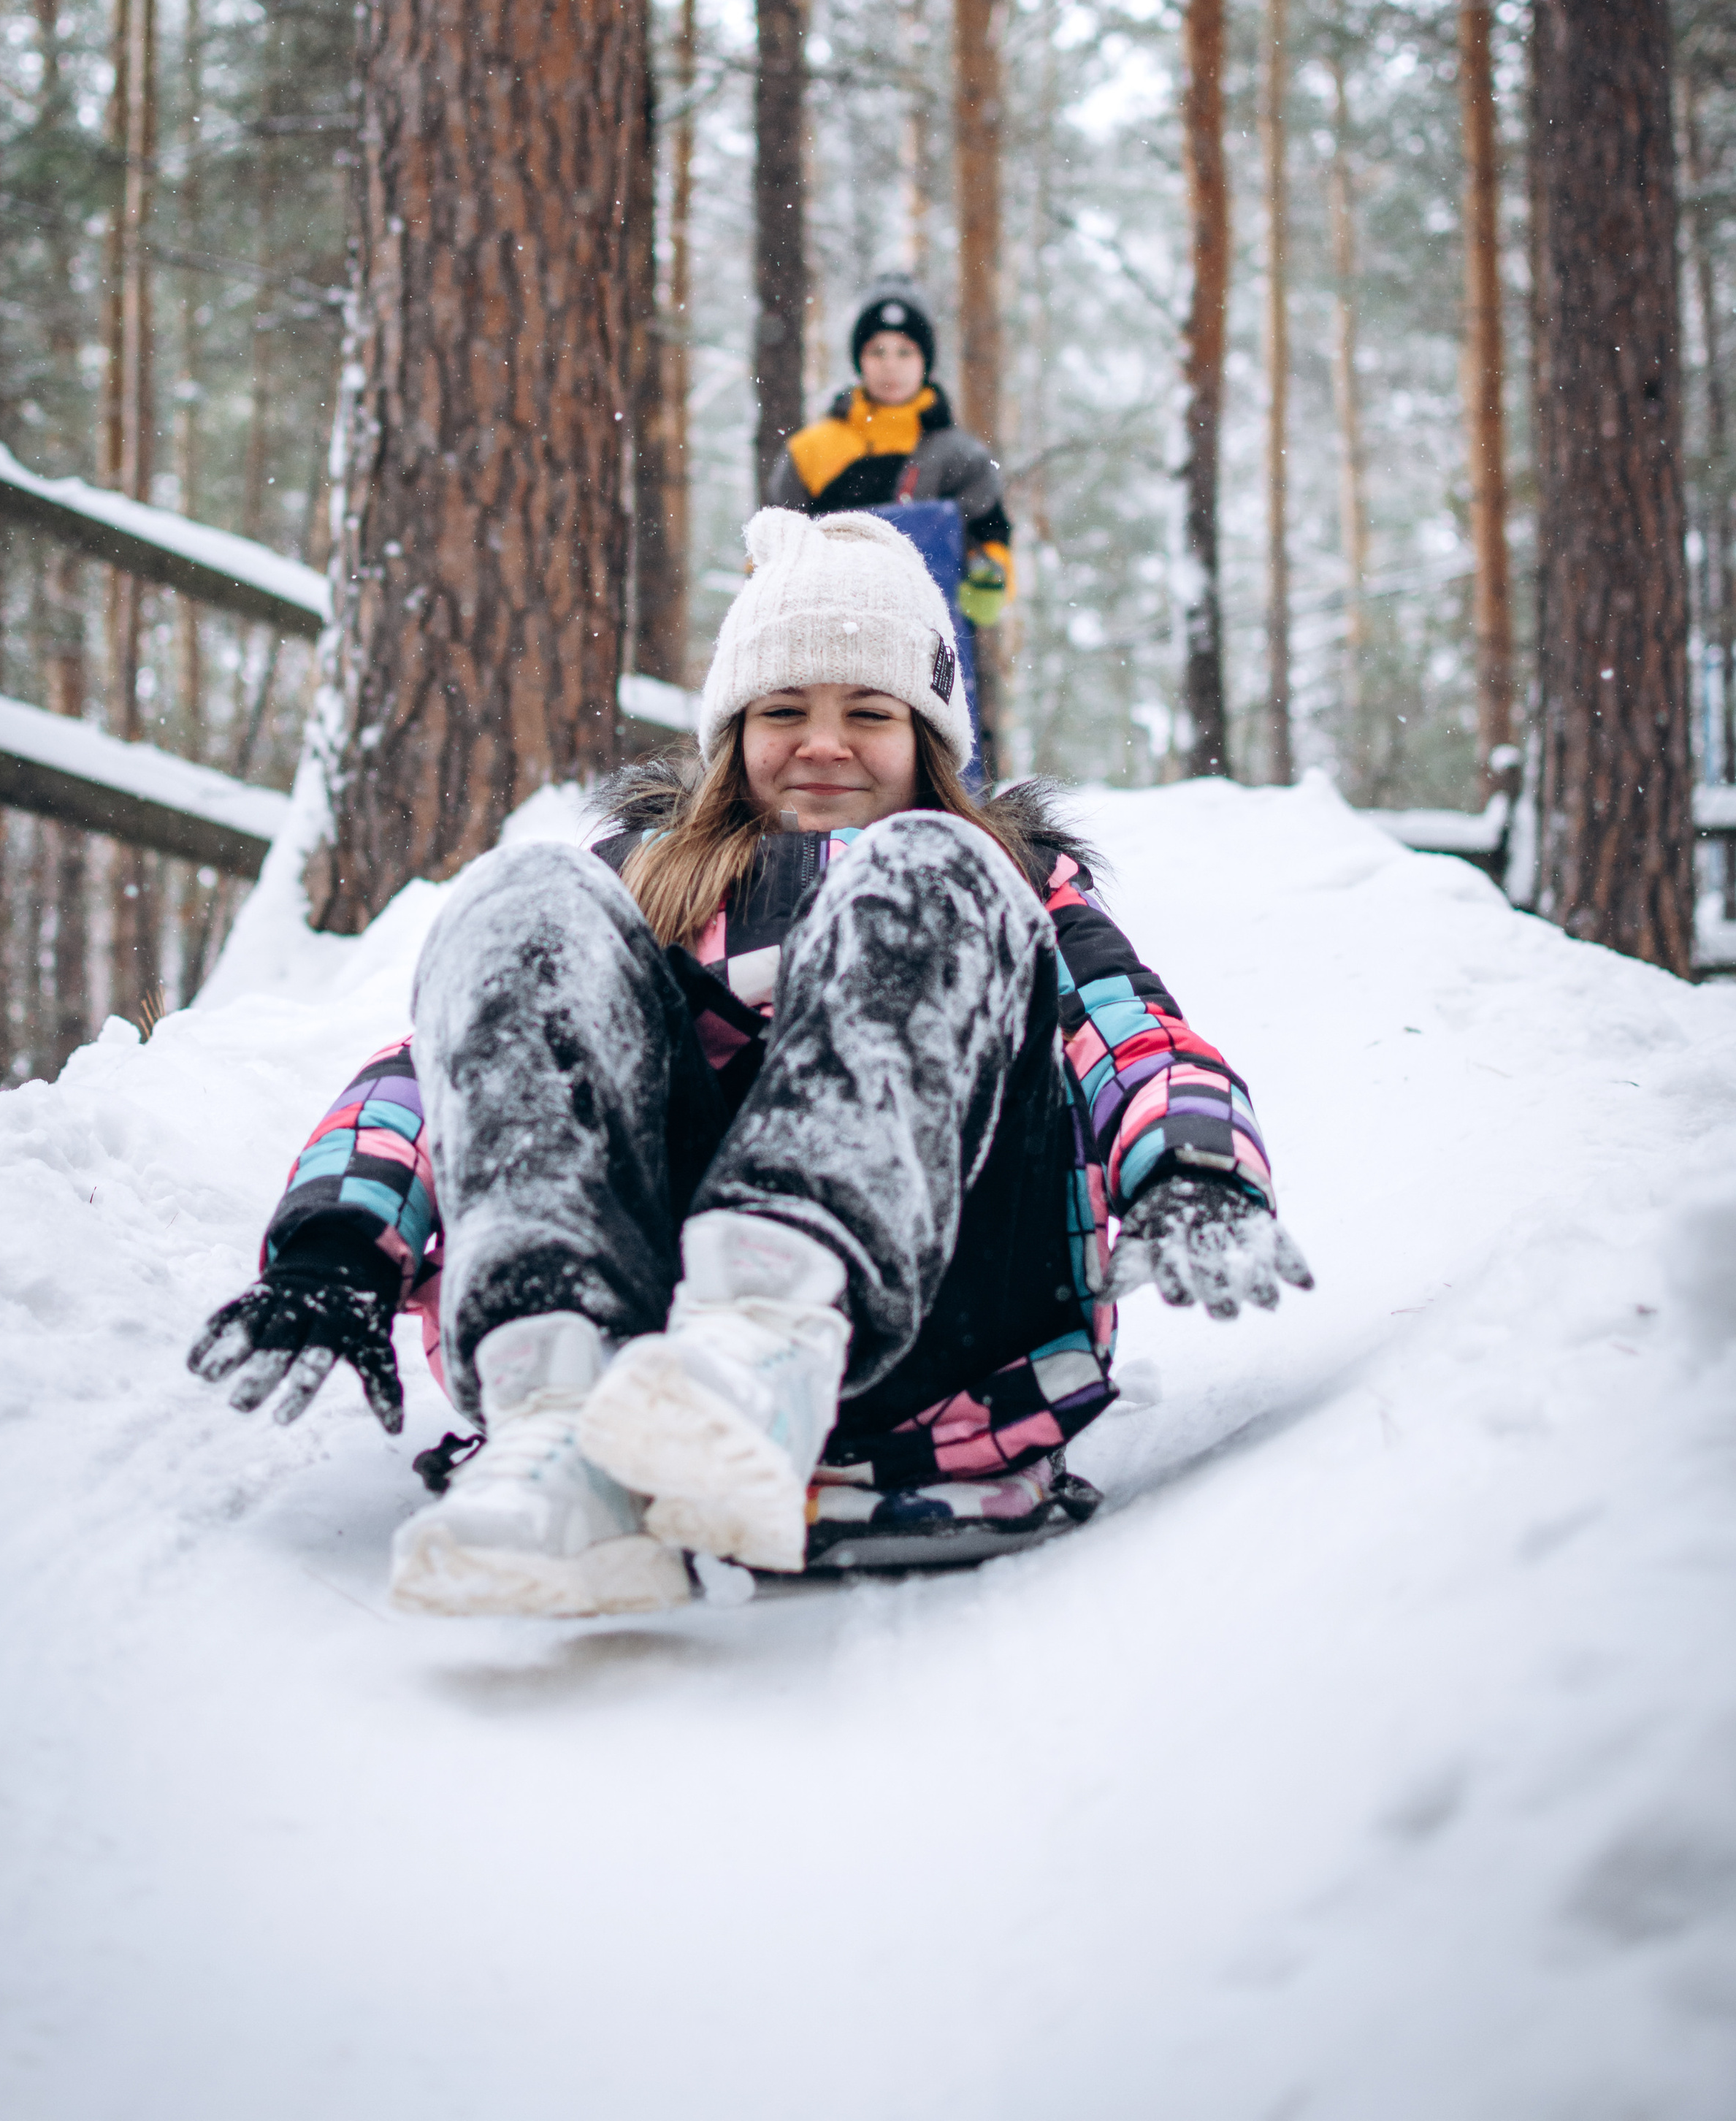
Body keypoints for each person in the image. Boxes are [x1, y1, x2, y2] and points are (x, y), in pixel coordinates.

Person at [189, 508, 1309, 1619]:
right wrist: (337, 1247)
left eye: (868, 712)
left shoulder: (1002, 885)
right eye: (786, 710)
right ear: (735, 733)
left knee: (931, 868)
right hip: (646, 1375)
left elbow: (1127, 1033)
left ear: (926, 735)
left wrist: (1195, 1169)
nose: (824, 744)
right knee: (524, 902)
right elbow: (447, 1077)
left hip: (934, 1348)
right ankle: (565, 1420)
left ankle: (765, 1345)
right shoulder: (640, 889)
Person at [766, 277, 1014, 630]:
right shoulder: (809, 451)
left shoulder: (962, 458)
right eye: (877, 351)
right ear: (859, 359)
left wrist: (989, 576)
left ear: (925, 359)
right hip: (828, 642)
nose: (890, 365)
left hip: (931, 644)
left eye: (904, 351)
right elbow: (772, 546)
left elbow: (992, 536)